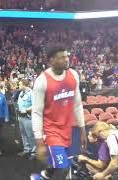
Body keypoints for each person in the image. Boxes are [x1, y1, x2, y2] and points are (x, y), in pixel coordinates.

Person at [32, 44, 86, 180]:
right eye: (61, 57)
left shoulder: (73, 75)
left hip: (67, 131)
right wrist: (39, 143)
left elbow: (78, 104)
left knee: (64, 168)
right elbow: (37, 113)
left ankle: (44, 176)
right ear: (51, 61)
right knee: (63, 169)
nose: (67, 59)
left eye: (67, 56)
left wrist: (83, 128)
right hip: (51, 132)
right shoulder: (42, 81)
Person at [17, 79, 36, 160]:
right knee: (23, 134)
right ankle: (26, 149)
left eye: (20, 84)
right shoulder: (21, 93)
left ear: (24, 85)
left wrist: (27, 109)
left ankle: (34, 152)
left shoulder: (31, 93)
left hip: (28, 117)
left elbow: (35, 105)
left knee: (30, 135)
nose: (19, 86)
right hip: (21, 116)